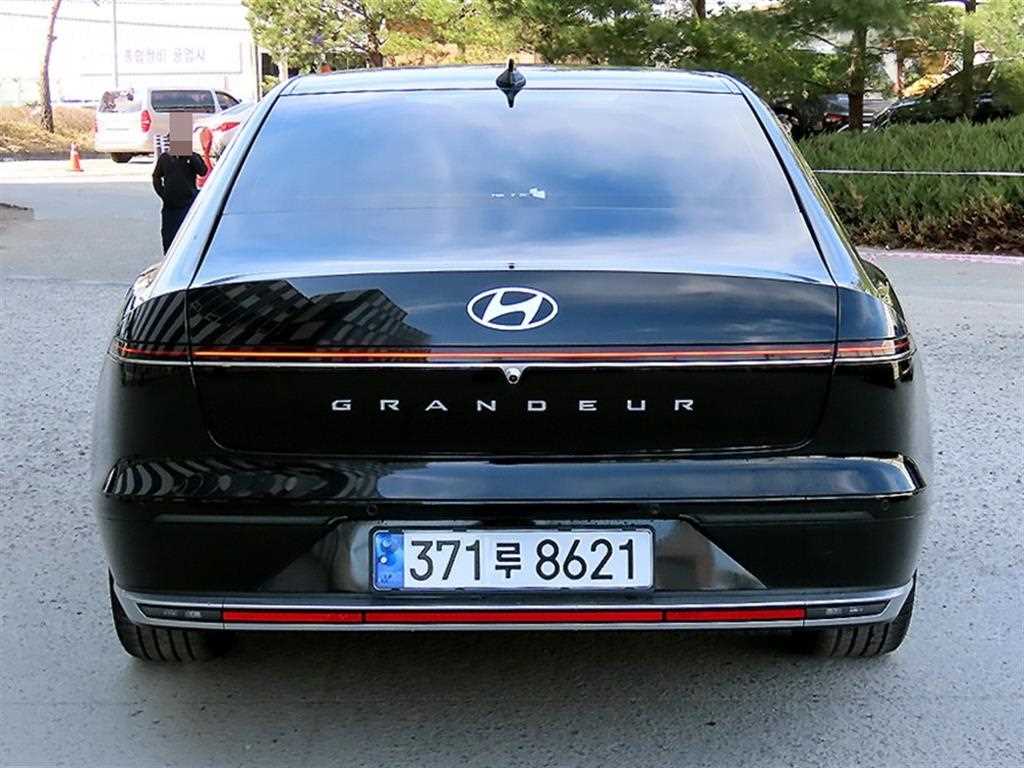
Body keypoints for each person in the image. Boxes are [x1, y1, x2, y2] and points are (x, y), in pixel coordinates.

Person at [152, 112, 207, 253]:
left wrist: (190, 155)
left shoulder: (192, 157)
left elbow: (203, 171)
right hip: (170, 205)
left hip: (188, 203)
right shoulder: (165, 158)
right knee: (169, 237)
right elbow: (156, 177)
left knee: (188, 236)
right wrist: (163, 194)